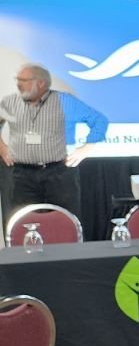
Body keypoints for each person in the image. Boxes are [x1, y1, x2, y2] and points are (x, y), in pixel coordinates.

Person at [0, 62, 108, 228]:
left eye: (24, 80)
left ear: (41, 83)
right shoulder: (11, 103)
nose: (19, 84)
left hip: (59, 173)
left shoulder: (66, 102)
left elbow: (99, 121)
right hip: (22, 175)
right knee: (24, 225)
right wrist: (2, 147)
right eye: (18, 79)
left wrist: (85, 149)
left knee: (65, 223)